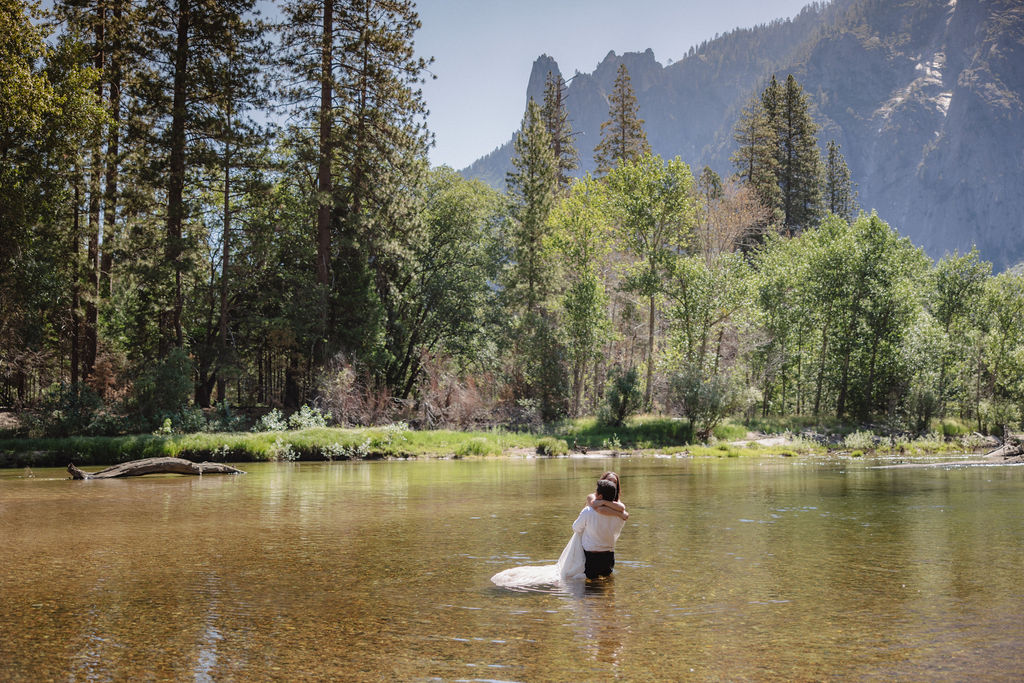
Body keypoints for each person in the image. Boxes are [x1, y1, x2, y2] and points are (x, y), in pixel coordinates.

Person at [572, 478, 627, 580]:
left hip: (591, 556)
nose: (595, 493)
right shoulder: (620, 516)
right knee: (608, 583)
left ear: (600, 496)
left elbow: (575, 528)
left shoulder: (588, 511)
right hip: (609, 555)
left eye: (596, 491)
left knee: (591, 587)